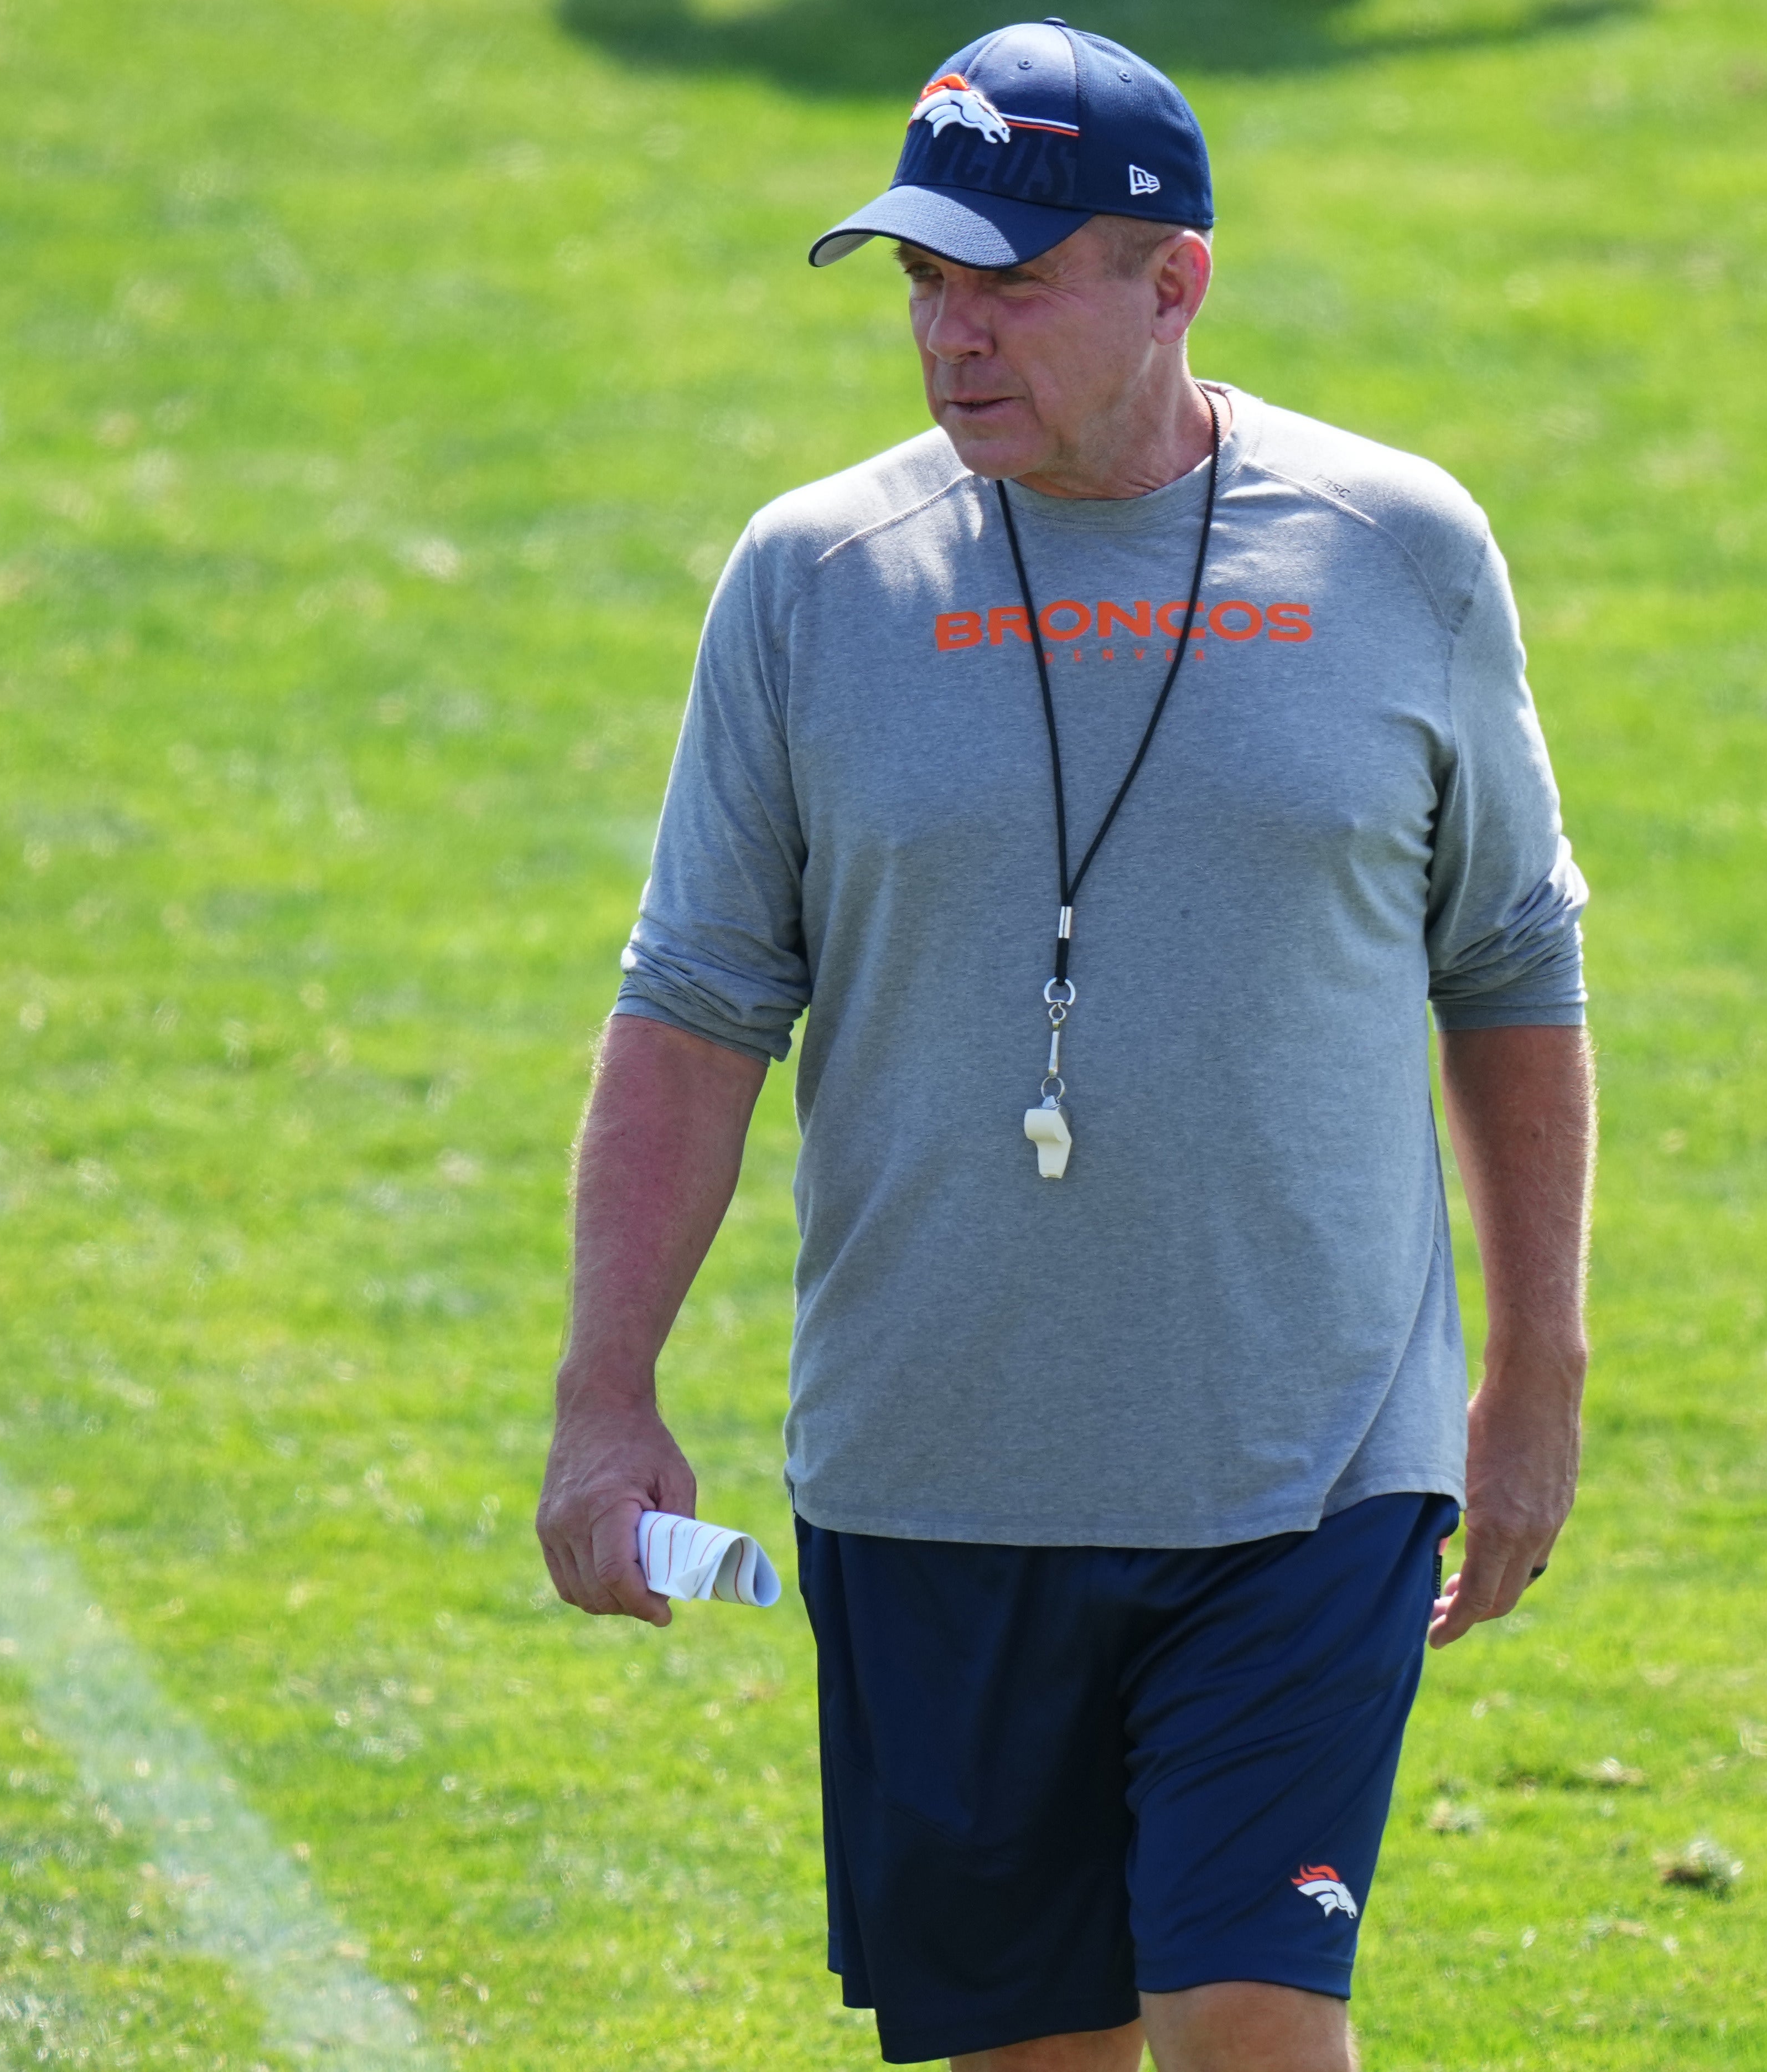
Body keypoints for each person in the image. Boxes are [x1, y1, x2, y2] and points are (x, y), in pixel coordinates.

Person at [536, 20, 1593, 2069]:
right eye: (927, 281)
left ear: (1174, 278)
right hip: (934, 1483)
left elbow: (1514, 971)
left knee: (1252, 2027)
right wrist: (606, 1394)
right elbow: (693, 1010)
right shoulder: (814, 581)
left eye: (1009, 281)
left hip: (1313, 1480)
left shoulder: (1399, 554)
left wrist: (1537, 1375)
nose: (952, 333)